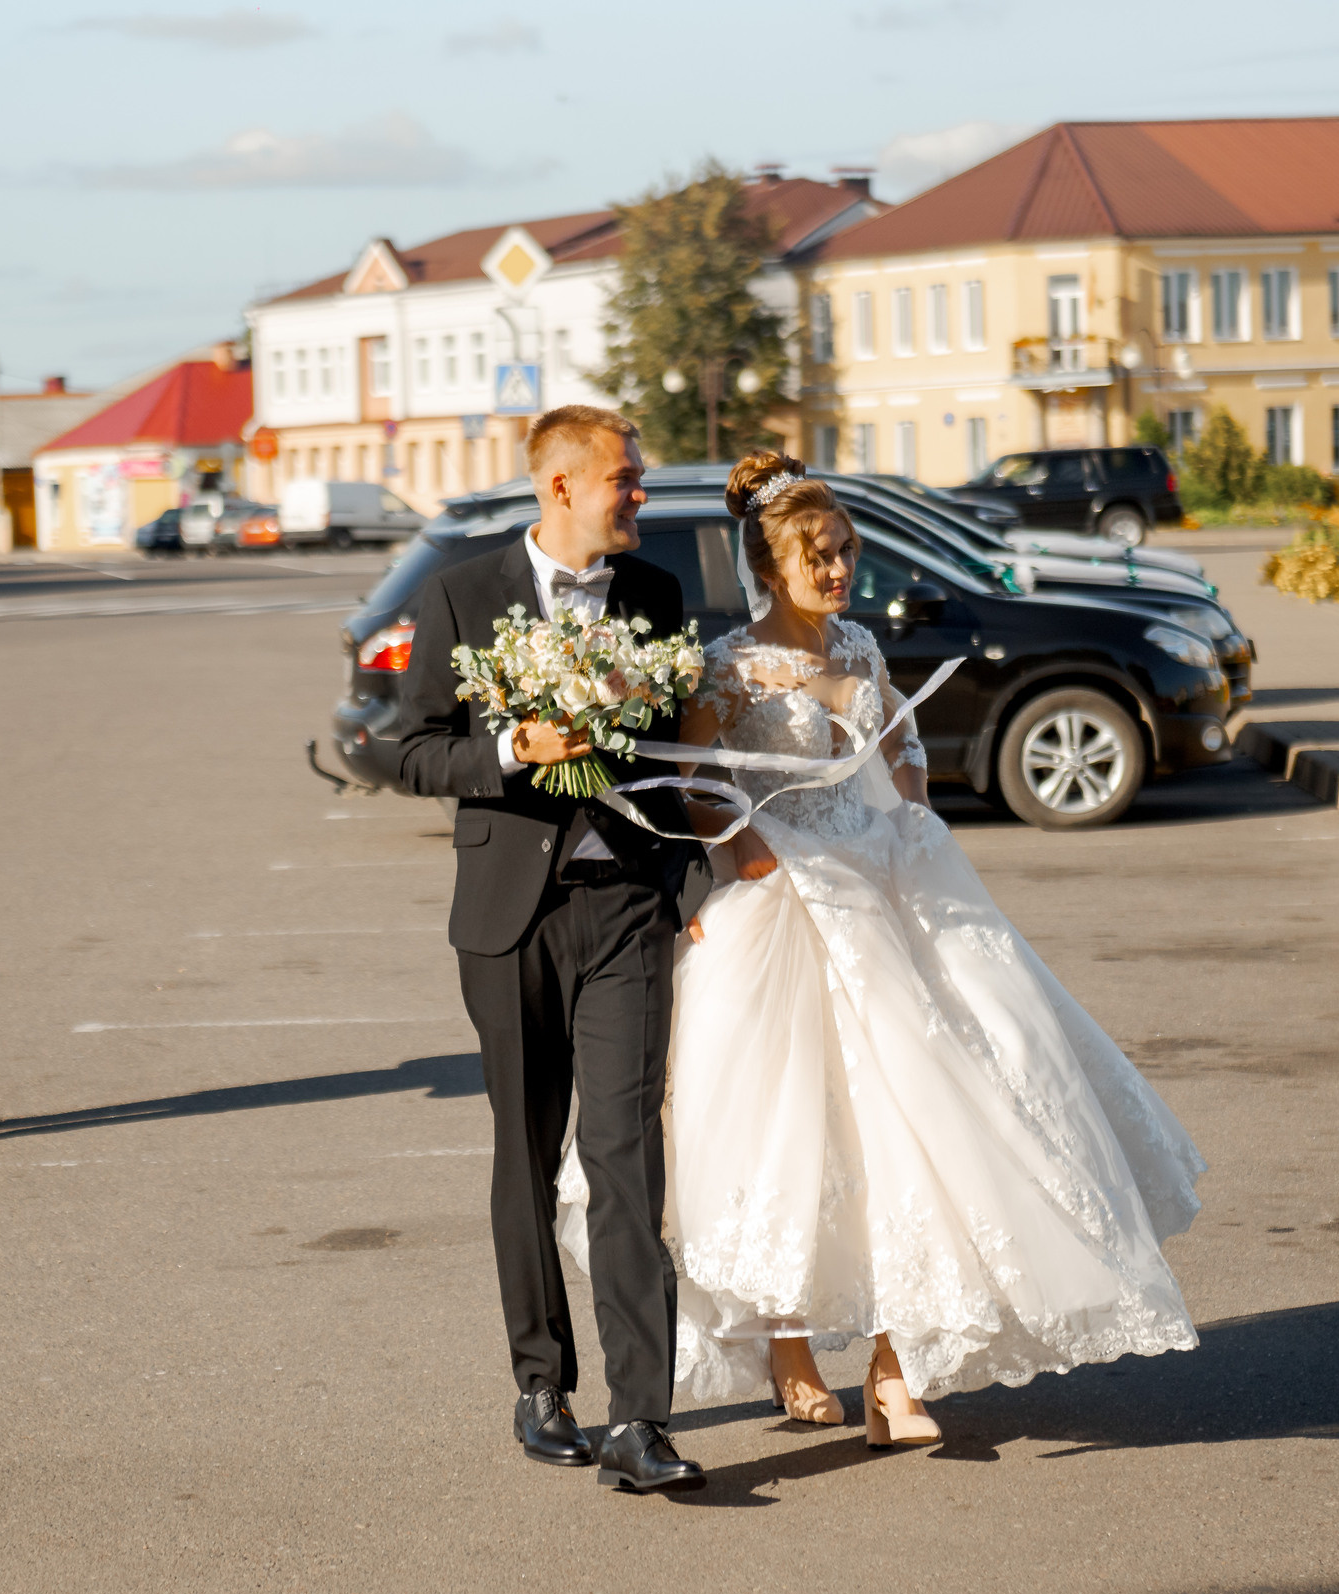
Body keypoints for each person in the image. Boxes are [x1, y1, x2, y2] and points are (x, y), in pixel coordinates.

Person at [561, 451, 1205, 1445]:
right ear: (769, 567)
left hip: (884, 886)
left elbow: (897, 746)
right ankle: (787, 1341)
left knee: (929, 1122)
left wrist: (906, 807)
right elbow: (695, 785)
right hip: (783, 905)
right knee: (793, 1131)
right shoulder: (729, 666)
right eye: (817, 555)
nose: (838, 568)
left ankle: (894, 1375)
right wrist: (751, 848)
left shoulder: (860, 647)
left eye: (846, 550)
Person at [389, 405, 713, 1496]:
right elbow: (407, 750)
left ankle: (641, 1418)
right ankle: (542, 1384)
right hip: (509, 915)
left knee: (626, 1153)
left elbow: (681, 753)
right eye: (628, 479)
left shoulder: (659, 597)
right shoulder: (461, 594)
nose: (642, 497)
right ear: (564, 486)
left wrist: (688, 874)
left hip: (626, 901)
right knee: (525, 1153)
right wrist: (509, 746)